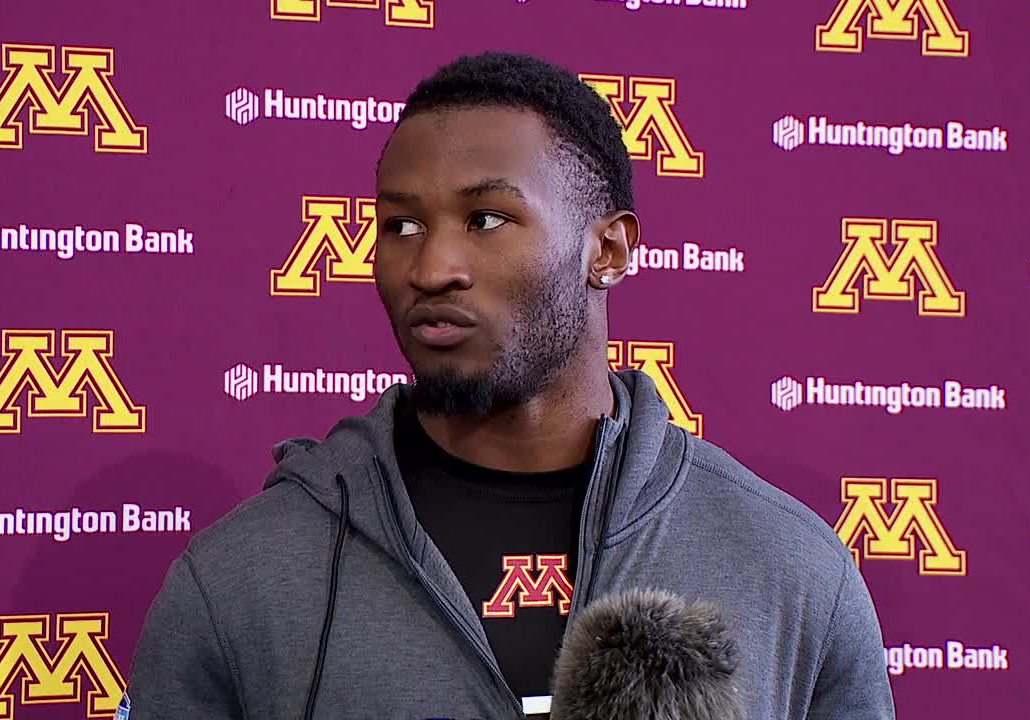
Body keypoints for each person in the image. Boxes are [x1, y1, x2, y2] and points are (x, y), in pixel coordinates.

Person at [126, 51, 896, 719]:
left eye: (487, 219)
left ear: (609, 250)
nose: (431, 269)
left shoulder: (789, 568)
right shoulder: (240, 579)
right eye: (401, 226)